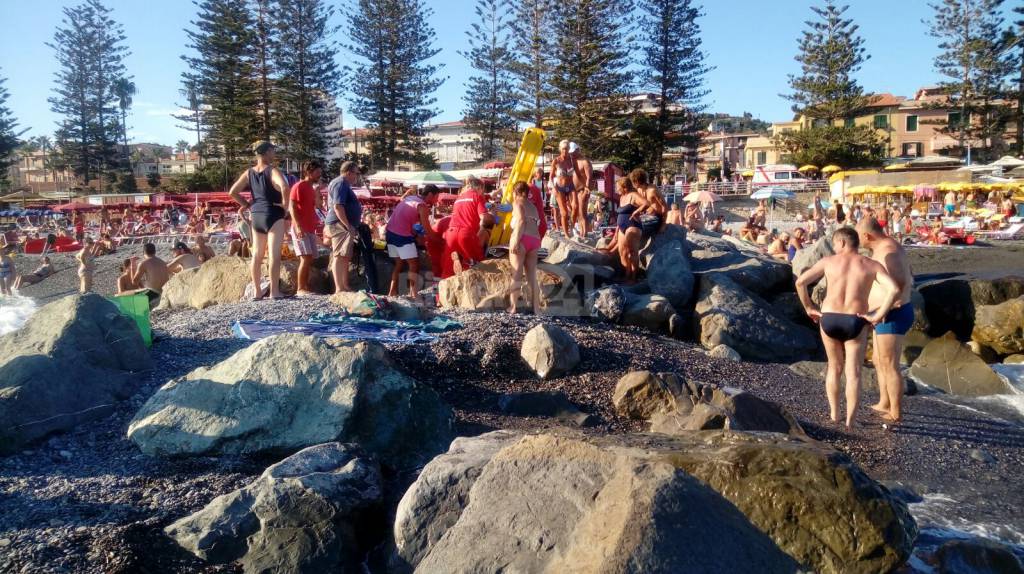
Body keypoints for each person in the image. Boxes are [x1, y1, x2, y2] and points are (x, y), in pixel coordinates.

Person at [795, 227, 901, 428]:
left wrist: (809, 307)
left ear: (842, 243)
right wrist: (877, 314)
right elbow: (894, 289)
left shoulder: (828, 262)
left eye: (834, 244)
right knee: (853, 373)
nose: (834, 248)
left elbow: (801, 282)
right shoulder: (871, 264)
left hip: (829, 318)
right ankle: (851, 421)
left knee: (834, 368)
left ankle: (835, 414)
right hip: (855, 319)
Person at [857, 217, 914, 425]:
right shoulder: (882, 249)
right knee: (879, 361)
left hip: (892, 313)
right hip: (882, 313)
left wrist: (882, 310)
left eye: (858, 235)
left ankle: (896, 412)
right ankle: (884, 402)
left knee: (890, 365)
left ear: (866, 235)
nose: (858, 241)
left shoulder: (889, 249)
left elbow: (899, 284)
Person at [228, 140, 290, 300]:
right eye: (273, 151)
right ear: (267, 152)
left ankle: (256, 291)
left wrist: (247, 204)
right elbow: (284, 186)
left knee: (256, 254)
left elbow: (232, 192)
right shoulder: (272, 171)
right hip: (273, 212)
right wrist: (285, 206)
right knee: (274, 254)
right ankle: (274, 291)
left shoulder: (249, 172)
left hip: (256, 215)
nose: (274, 154)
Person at [480, 182, 543, 314]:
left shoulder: (517, 203)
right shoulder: (533, 206)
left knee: (517, 273)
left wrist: (514, 241)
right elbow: (537, 223)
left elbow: (521, 221)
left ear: (516, 193)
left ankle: (513, 307)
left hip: (522, 238)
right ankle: (536, 308)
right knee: (532, 276)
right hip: (535, 240)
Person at [386, 184, 441, 296]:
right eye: (437, 196)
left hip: (389, 233)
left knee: (399, 263)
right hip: (401, 236)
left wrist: (415, 232)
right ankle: (413, 293)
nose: (437, 199)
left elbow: (408, 220)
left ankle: (392, 292)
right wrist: (441, 241)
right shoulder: (422, 206)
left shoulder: (410, 198)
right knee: (414, 264)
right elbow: (428, 229)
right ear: (430, 194)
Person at [325, 161, 363, 294]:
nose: (357, 176)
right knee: (339, 256)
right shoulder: (340, 183)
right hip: (340, 225)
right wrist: (347, 225)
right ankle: (339, 288)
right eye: (356, 173)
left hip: (343, 225)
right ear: (349, 172)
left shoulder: (342, 183)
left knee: (345, 256)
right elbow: (338, 206)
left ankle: (344, 285)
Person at [289, 160, 323, 296]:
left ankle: (305, 286)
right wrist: (297, 226)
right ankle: (300, 288)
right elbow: (291, 207)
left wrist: (318, 191)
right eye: (317, 172)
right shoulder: (299, 186)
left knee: (310, 258)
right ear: (309, 172)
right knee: (306, 257)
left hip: (309, 228)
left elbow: (318, 206)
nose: (320, 175)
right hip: (301, 227)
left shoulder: (311, 188)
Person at [443, 177, 488, 278]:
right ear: (479, 188)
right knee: (477, 264)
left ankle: (442, 293)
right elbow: (484, 217)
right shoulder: (477, 196)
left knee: (449, 268)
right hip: (466, 233)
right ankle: (475, 288)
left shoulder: (459, 198)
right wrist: (484, 228)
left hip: (451, 232)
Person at [549, 140, 581, 238]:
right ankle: (566, 234)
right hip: (560, 188)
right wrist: (553, 188)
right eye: (563, 149)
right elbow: (550, 177)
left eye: (567, 149)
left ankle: (572, 227)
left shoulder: (572, 160)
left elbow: (578, 174)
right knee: (564, 213)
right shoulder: (556, 161)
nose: (565, 151)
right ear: (560, 149)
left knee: (575, 207)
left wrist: (584, 186)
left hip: (571, 186)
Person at [570, 142, 593, 237]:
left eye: (573, 152)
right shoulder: (572, 161)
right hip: (574, 191)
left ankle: (585, 233)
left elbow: (589, 177)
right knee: (577, 213)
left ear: (577, 150)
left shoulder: (585, 162)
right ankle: (581, 231)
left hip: (582, 189)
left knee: (582, 212)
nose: (572, 154)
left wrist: (586, 189)